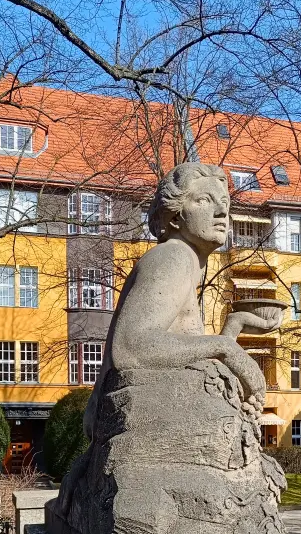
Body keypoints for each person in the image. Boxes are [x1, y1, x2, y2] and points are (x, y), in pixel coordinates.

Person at [83, 162, 282, 439]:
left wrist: (235, 324)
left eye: (224, 203)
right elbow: (131, 347)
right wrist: (223, 347)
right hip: (148, 431)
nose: (222, 212)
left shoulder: (186, 261)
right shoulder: (172, 257)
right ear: (175, 217)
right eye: (204, 201)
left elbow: (179, 350)